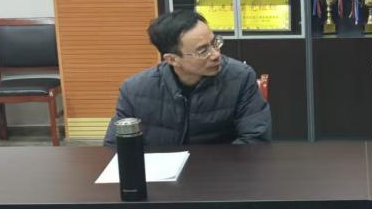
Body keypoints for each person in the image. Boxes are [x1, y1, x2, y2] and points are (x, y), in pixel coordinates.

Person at [104, 9, 271, 146]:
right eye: (203, 51)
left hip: (221, 171)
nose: (216, 54)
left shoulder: (240, 77)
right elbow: (115, 147)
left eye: (215, 43)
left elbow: (255, 139)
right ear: (172, 59)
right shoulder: (134, 90)